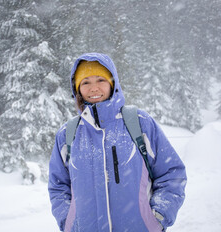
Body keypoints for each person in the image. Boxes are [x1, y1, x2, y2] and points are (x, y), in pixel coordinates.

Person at [48, 53, 187, 232]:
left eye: (100, 80)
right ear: (77, 89)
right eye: (85, 82)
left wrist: (157, 218)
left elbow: (171, 174)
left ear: (112, 83)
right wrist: (68, 222)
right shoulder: (68, 134)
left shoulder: (139, 122)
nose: (94, 88)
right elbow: (58, 186)